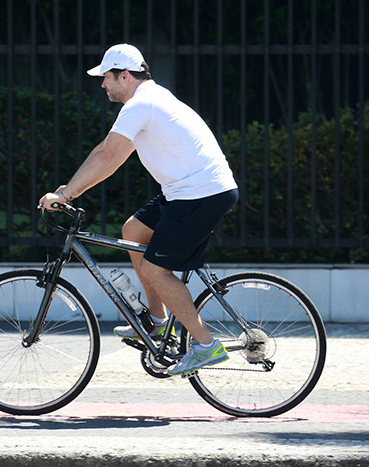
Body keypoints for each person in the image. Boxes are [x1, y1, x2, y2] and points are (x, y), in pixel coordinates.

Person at [39, 44, 239, 376]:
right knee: (133, 231)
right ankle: (159, 323)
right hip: (187, 193)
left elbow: (109, 158)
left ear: (125, 75)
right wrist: (67, 191)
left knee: (155, 269)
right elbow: (108, 151)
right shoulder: (149, 101)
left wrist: (67, 194)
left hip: (201, 195)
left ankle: (205, 345)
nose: (103, 85)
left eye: (106, 78)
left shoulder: (141, 104)